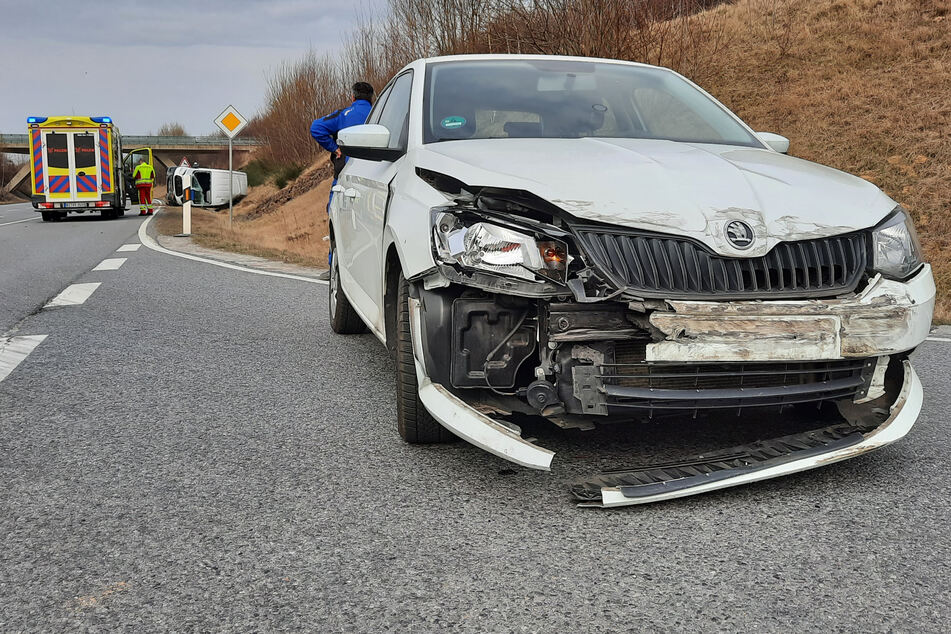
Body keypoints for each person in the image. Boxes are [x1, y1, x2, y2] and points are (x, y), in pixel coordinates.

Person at [310, 81, 374, 275]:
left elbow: (316, 128)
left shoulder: (344, 114)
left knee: (337, 218)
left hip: (345, 177)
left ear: (352, 97)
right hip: (375, 177)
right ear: (372, 97)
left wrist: (334, 148)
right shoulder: (380, 114)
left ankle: (335, 269)